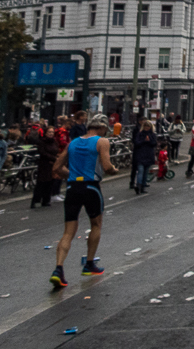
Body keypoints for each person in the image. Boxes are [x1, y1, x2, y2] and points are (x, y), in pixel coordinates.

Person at [50, 115, 117, 288]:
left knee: (68, 231)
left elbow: (56, 167)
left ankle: (58, 268)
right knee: (96, 224)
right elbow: (107, 166)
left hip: (73, 187)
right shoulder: (101, 142)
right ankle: (89, 263)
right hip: (91, 187)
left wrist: (71, 176)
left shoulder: (72, 143)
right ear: (102, 128)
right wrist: (114, 171)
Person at [30, 124, 60, 209]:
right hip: (44, 165)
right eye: (49, 132)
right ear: (46, 133)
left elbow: (56, 150)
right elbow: (42, 152)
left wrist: (57, 158)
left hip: (52, 165)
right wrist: (53, 158)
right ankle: (36, 200)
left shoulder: (54, 142)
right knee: (41, 183)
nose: (51, 134)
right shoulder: (42, 142)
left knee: (50, 182)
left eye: (52, 132)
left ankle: (46, 200)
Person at [132, 120, 158, 194]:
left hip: (148, 154)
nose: (147, 128)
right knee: (141, 171)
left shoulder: (152, 135)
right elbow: (136, 143)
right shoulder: (140, 134)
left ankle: (142, 186)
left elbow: (154, 143)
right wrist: (144, 141)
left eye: (148, 126)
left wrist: (149, 141)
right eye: (146, 126)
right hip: (141, 154)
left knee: (145, 172)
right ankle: (139, 185)